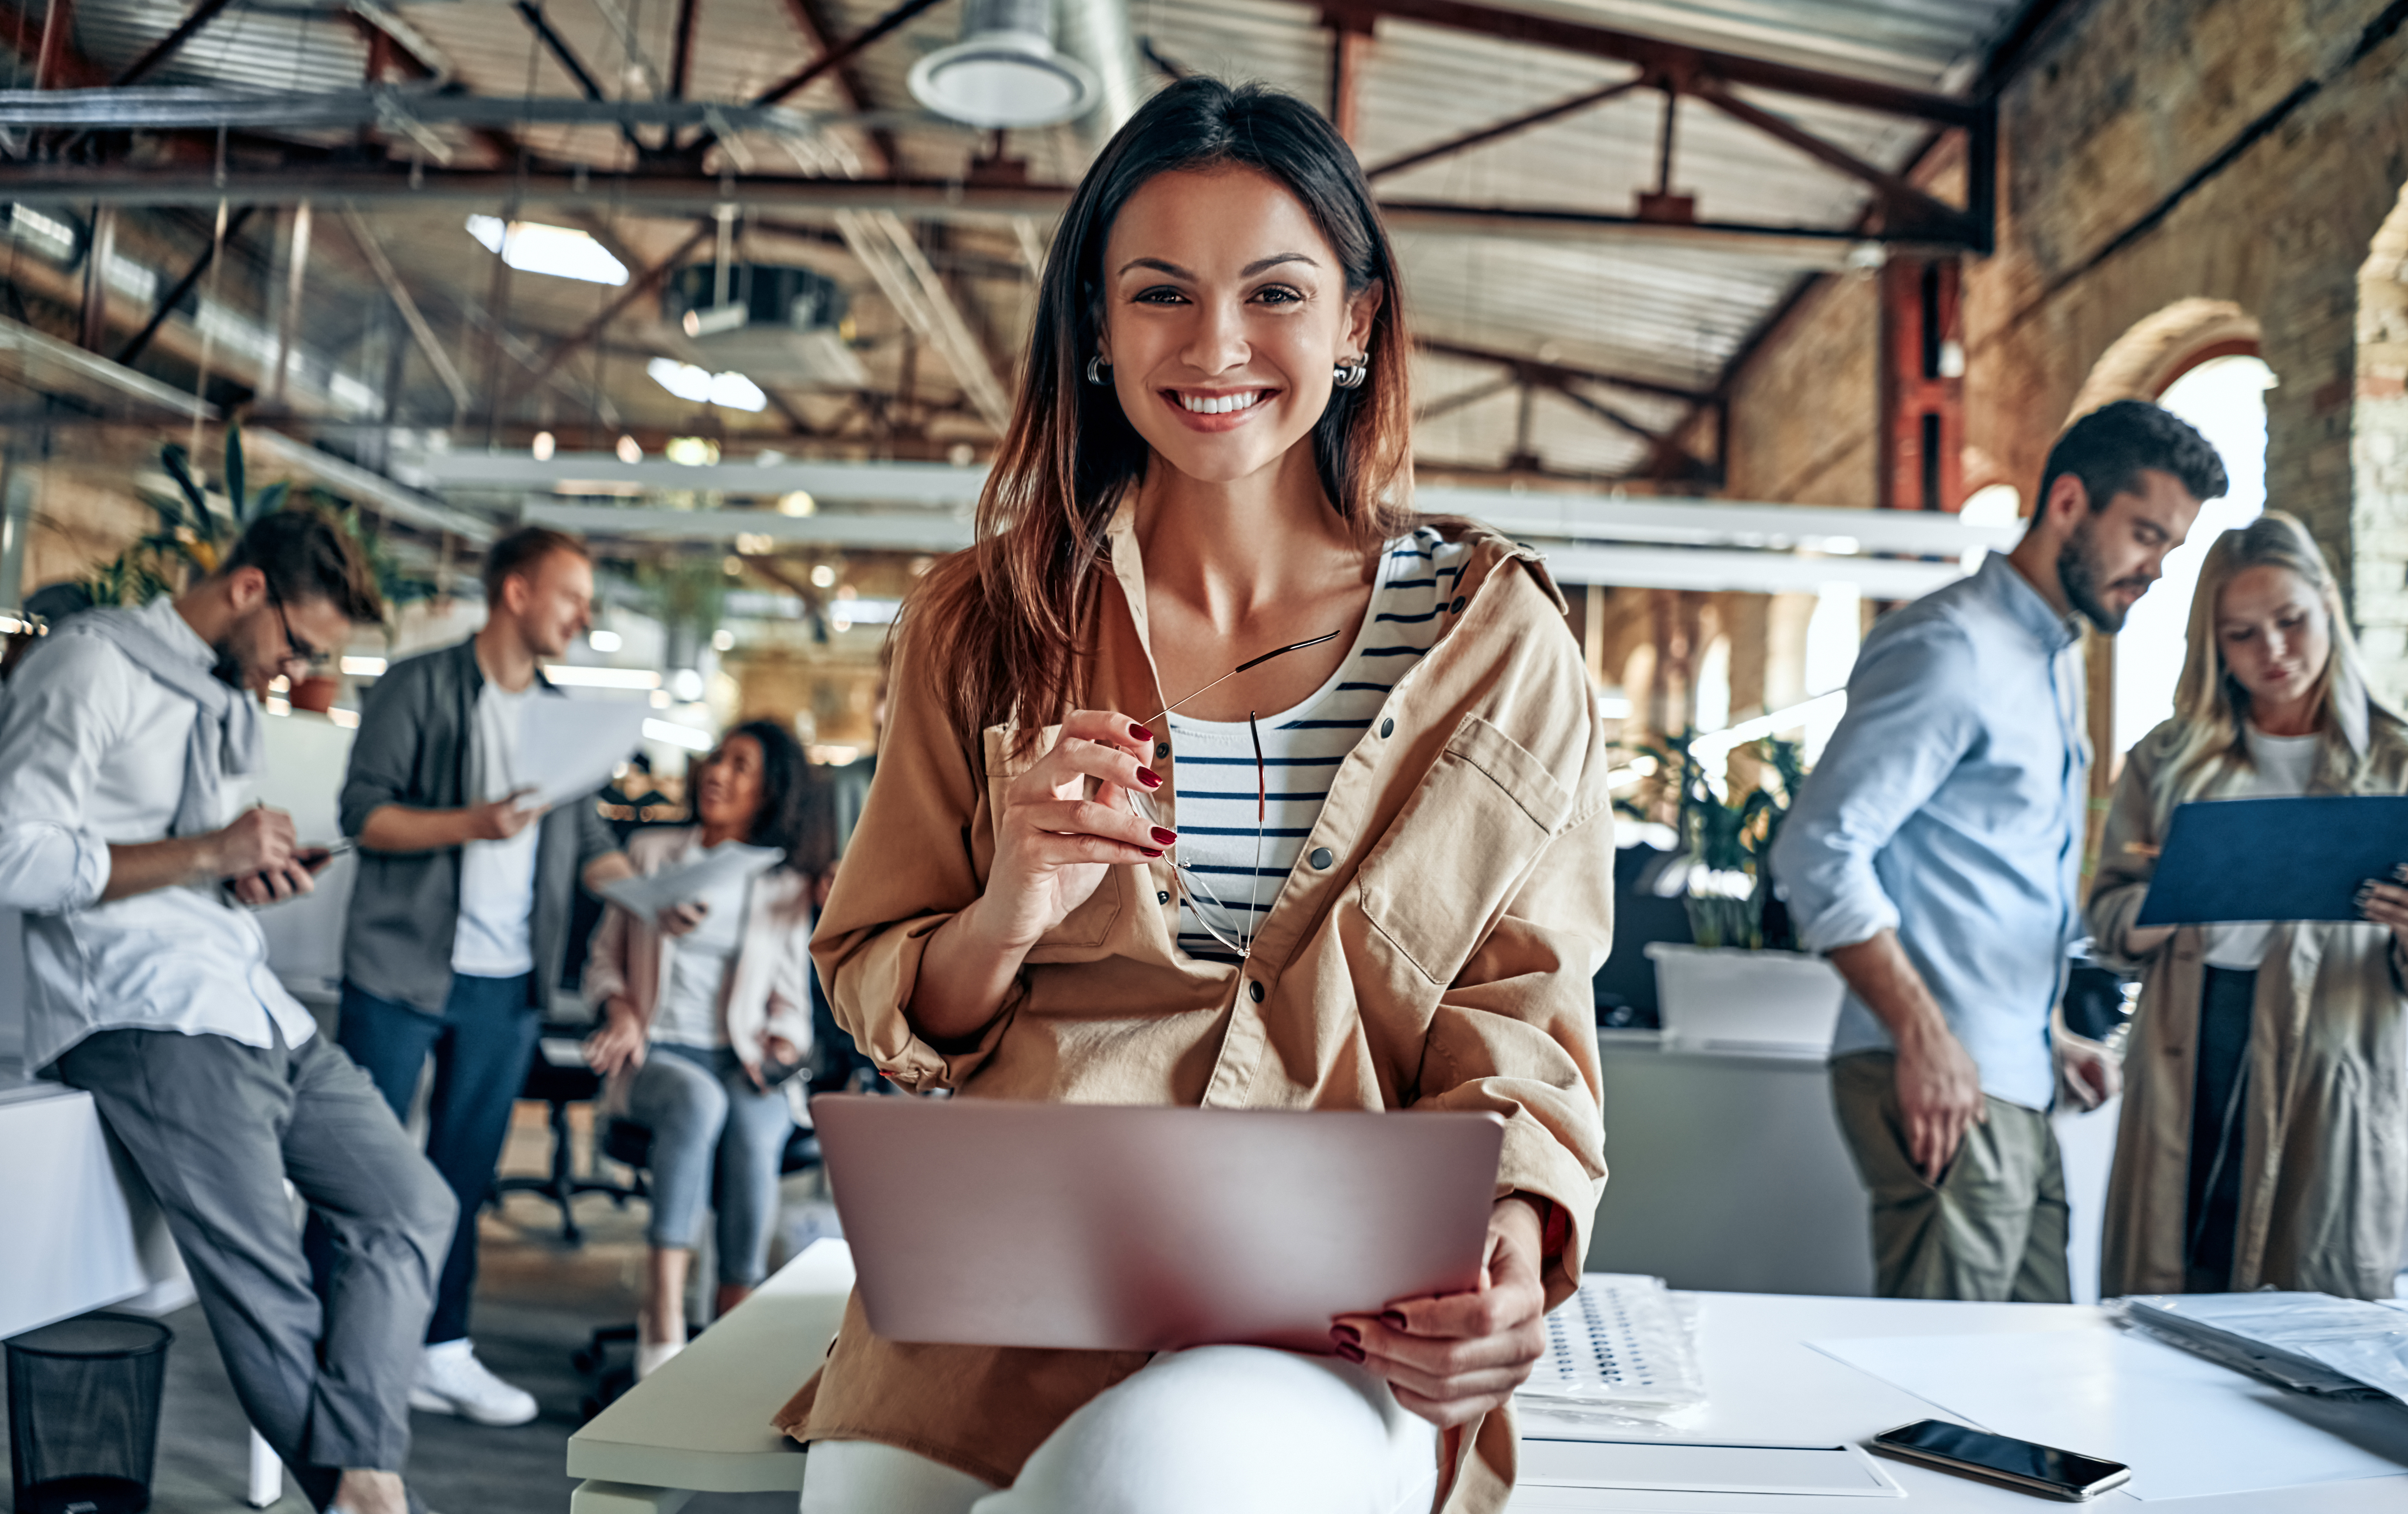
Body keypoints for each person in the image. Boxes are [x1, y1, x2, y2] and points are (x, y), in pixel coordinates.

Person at [783, 78, 1613, 1514]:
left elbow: (1528, 1021)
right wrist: (1005, 910)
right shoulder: (982, 625)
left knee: (1143, 1481)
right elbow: (885, 990)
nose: (1216, 344)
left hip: (1340, 1318)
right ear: (1096, 333)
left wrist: (1520, 1239)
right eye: (1159, 293)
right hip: (993, 1316)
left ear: (1356, 323)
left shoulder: (1498, 646)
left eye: (1275, 293)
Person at [0, 510, 453, 1514]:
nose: (297, 670)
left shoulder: (231, 700)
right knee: (268, 1285)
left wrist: (238, 876)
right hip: (145, 1016)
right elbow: (14, 853)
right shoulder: (91, 667)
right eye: (298, 645)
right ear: (249, 590)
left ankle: (358, 1480)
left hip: (252, 1005)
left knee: (411, 1205)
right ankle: (371, 1500)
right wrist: (211, 853)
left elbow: (190, 863)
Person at [1770, 398, 2226, 1302]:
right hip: (1948, 1071)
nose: (2153, 571)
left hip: (2008, 1073)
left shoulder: (2047, 654)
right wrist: (1926, 1035)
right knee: (1951, 1404)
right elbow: (1818, 849)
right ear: (2067, 503)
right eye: (2142, 535)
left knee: (2029, 1382)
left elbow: (1979, 874)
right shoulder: (1951, 647)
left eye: (2168, 550)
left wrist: (2042, 1034)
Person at [330, 526, 633, 1426]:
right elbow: (364, 815)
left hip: (506, 982)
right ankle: (334, 1336)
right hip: (400, 966)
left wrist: (657, 896)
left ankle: (440, 1348)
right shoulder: (418, 685)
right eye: (571, 595)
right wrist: (473, 822)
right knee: (358, 1161)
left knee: (462, 1171)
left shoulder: (563, 715)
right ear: (516, 593)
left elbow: (586, 844)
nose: (583, 615)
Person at [2089, 512, 2408, 1298]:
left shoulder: (2398, 763)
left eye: (2291, 622)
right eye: (2241, 634)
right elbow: (2105, 919)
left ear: (2327, 605)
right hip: (2191, 1040)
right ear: (2213, 644)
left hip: (2332, 1052)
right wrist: (2177, 892)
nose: (2272, 652)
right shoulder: (2165, 759)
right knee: (2173, 1289)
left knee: (2310, 1310)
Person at [580, 720, 817, 1377]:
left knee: (756, 1121)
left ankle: (732, 1317)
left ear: (768, 793)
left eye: (742, 767)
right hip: (656, 1054)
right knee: (697, 1100)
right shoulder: (651, 853)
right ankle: (662, 1315)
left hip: (740, 1059)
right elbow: (602, 962)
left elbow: (793, 1008)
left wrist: (780, 1044)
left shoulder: (781, 884)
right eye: (718, 759)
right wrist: (622, 1009)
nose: (719, 774)